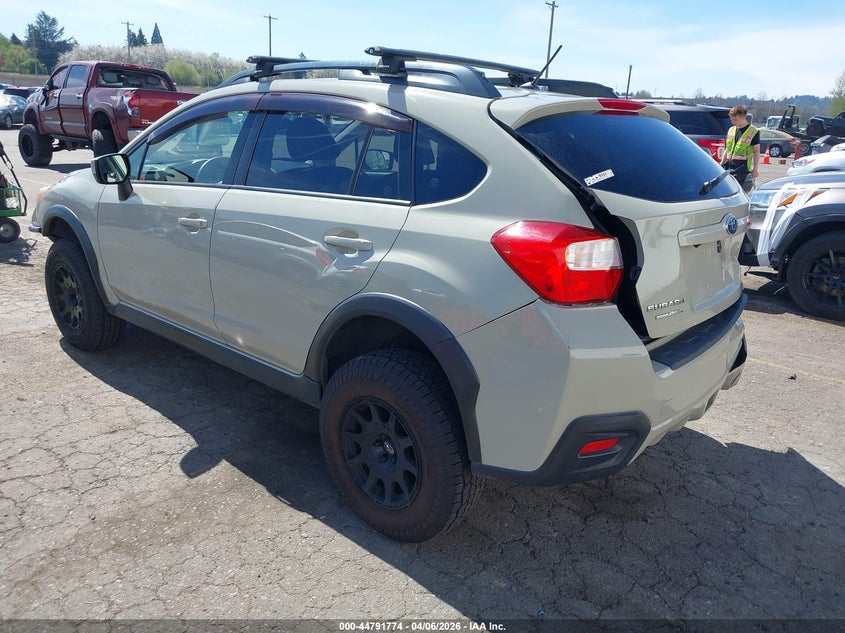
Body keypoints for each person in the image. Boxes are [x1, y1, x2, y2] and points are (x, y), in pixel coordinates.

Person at [721, 104, 760, 193]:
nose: (733, 122)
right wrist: (721, 163)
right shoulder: (731, 130)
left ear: (743, 117)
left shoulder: (753, 131)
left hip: (742, 167)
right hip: (729, 164)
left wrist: (755, 169)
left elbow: (756, 151)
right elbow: (727, 149)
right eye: (731, 119)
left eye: (735, 119)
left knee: (734, 190)